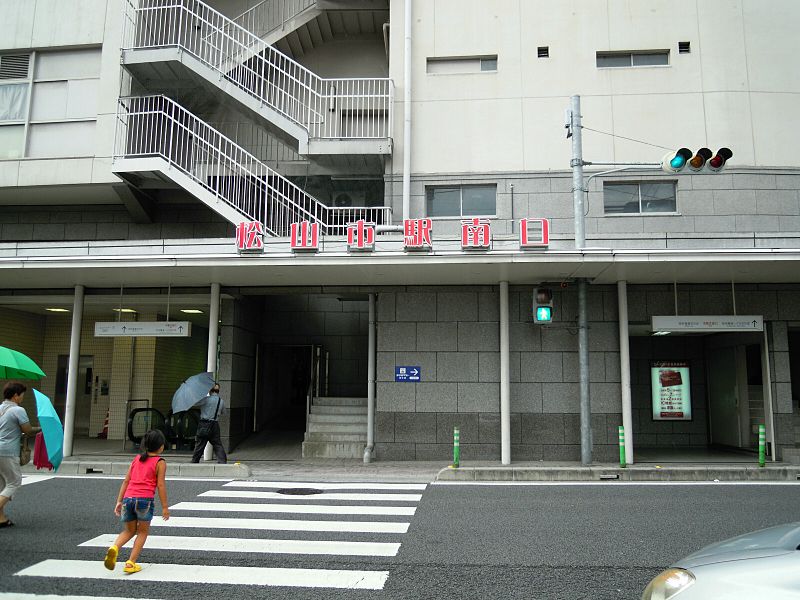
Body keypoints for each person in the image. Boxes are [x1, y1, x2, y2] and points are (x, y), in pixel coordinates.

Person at [103, 429, 170, 573]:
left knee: (129, 530)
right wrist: (165, 507)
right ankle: (130, 563)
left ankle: (114, 547)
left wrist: (119, 501)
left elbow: (126, 480)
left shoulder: (137, 459)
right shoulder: (160, 462)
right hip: (144, 500)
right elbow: (161, 485)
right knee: (142, 532)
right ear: (161, 446)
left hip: (128, 498)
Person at [0, 382, 41, 528]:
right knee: (14, 482)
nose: (23, 397)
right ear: (16, 395)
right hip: (7, 451)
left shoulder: (1, 408)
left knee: (2, 485)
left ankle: (2, 518)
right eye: (22, 395)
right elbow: (28, 430)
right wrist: (41, 428)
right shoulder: (18, 410)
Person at [190, 383, 227, 464]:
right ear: (218, 391)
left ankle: (195, 460)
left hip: (204, 424)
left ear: (210, 390)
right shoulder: (221, 401)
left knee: (200, 444)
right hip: (215, 424)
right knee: (217, 444)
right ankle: (222, 461)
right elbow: (224, 412)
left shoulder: (205, 399)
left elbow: (194, 404)